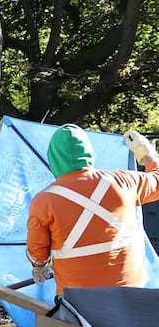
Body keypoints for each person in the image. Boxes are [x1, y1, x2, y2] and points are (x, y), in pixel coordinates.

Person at [27, 125, 159, 294]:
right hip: (132, 292)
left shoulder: (44, 200)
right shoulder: (124, 181)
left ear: (54, 158)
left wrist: (39, 266)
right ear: (89, 153)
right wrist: (146, 154)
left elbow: (37, 248)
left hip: (78, 299)